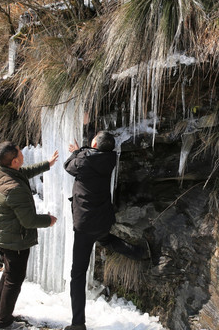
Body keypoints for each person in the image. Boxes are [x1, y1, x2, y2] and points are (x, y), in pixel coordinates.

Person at [63, 130, 149, 330]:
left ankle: (78, 323)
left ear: (94, 145)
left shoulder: (84, 161)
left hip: (85, 224)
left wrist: (77, 152)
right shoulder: (110, 157)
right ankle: (139, 252)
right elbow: (91, 154)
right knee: (106, 240)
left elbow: (68, 166)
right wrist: (83, 150)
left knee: (77, 274)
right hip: (102, 219)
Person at [0, 141, 59, 330]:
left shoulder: (0, 171)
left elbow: (22, 174)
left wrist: (46, 164)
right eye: (20, 153)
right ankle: (4, 322)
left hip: (0, 235)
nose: (22, 153)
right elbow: (28, 221)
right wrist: (48, 220)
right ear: (14, 162)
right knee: (14, 280)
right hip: (14, 241)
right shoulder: (14, 189)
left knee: (9, 273)